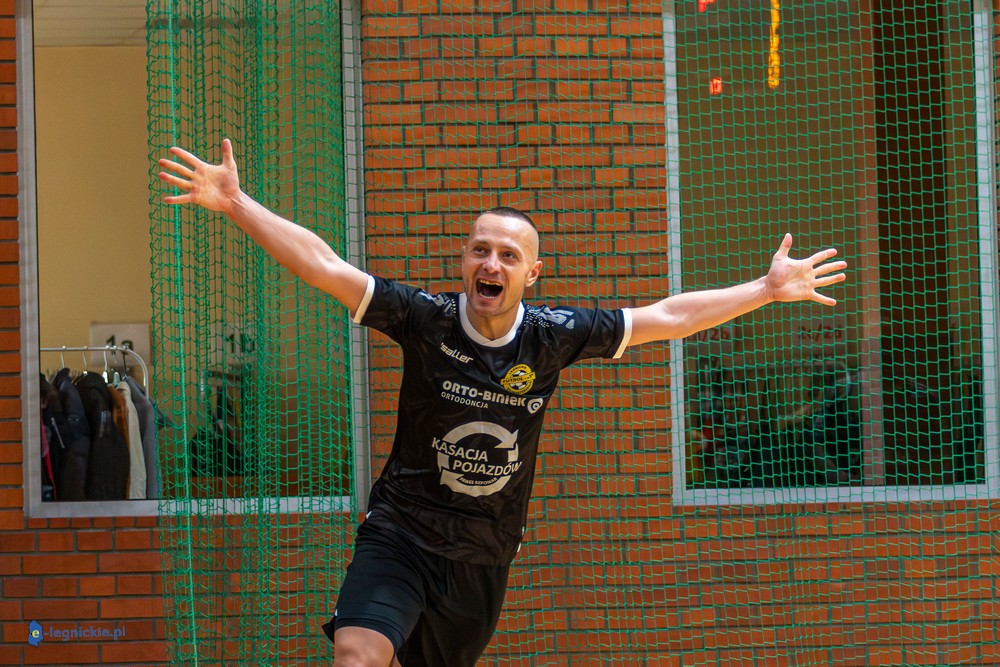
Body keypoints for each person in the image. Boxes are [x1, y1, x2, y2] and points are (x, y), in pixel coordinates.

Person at [158, 139, 847, 667]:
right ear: (464, 260)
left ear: (531, 272)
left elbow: (668, 316)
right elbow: (324, 265)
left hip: (482, 555)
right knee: (358, 654)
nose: (491, 264)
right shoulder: (424, 318)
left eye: (508, 256)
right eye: (480, 251)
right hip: (400, 532)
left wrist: (764, 289)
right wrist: (238, 204)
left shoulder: (554, 336)